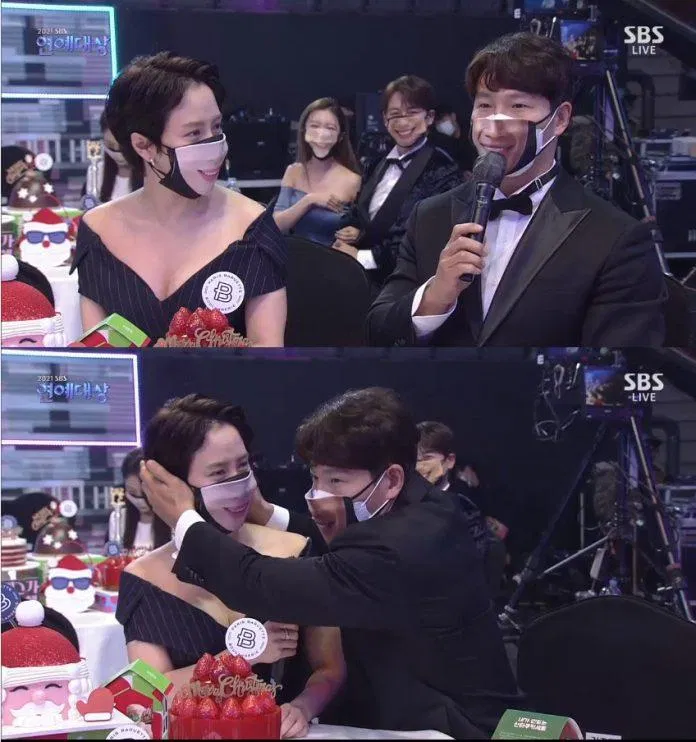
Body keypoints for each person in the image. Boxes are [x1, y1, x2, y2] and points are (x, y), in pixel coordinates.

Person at [140, 387, 519, 738]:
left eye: (335, 482)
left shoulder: (398, 548)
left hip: (447, 725)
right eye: (315, 478)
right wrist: (267, 513)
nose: (320, 495)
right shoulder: (426, 506)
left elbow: (262, 584)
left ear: (391, 480)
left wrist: (183, 519)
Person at [366, 32, 666, 347]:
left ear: (560, 119)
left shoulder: (615, 237)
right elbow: (378, 332)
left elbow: (620, 362)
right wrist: (434, 296)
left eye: (518, 105)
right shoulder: (430, 216)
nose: (495, 127)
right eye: (485, 105)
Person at [117, 395, 345, 739]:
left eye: (243, 467)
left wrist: (303, 707)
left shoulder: (295, 550)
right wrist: (242, 654)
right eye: (219, 473)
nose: (239, 487)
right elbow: (151, 695)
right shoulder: (144, 579)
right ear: (172, 485)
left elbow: (330, 669)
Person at [70, 52, 287, 346]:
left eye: (217, 127)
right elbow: (102, 357)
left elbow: (268, 355)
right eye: (194, 133)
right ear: (144, 146)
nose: (215, 147)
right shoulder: (98, 232)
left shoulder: (253, 228)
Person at [333, 76, 463, 290]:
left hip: (405, 287)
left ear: (429, 117)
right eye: (395, 114)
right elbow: (361, 212)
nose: (403, 122)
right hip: (359, 281)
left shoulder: (443, 171)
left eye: (412, 113)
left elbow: (425, 242)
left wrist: (360, 257)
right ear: (385, 120)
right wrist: (353, 229)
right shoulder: (376, 163)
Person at [416, 421, 507, 598]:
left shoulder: (465, 504)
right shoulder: (401, 499)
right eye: (414, 459)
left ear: (449, 461)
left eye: (427, 458)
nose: (419, 466)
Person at [273, 98, 361, 248]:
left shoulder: (353, 180)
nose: (322, 134)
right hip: (292, 255)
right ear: (304, 131)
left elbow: (362, 227)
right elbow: (276, 225)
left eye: (330, 128)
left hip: (332, 258)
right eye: (315, 126)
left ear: (340, 136)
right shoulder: (294, 171)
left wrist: (358, 233)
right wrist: (310, 200)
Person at [109, 448, 170, 552]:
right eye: (132, 492)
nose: (139, 500)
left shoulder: (173, 520)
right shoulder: (118, 518)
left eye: (144, 493)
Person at [95, 110, 144, 202]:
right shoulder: (96, 172)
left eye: (122, 147)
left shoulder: (153, 175)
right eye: (110, 145)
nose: (117, 152)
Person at [430, 105, 476, 172]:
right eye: (437, 123)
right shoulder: (444, 147)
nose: (441, 124)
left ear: (453, 116)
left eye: (443, 119)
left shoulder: (472, 134)